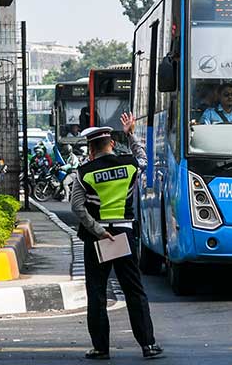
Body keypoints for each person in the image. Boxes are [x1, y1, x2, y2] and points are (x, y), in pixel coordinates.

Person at [70, 115, 162, 360]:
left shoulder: (84, 172)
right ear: (111, 143)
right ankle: (148, 345)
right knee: (134, 289)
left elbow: (77, 207)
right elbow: (144, 159)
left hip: (99, 236)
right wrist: (130, 133)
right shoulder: (129, 164)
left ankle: (101, 348)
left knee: (97, 292)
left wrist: (98, 230)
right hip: (124, 233)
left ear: (91, 148)